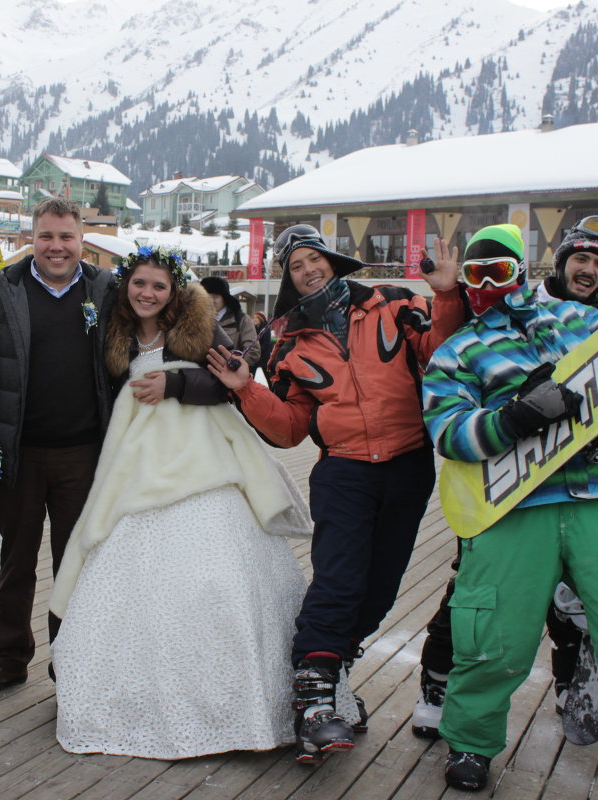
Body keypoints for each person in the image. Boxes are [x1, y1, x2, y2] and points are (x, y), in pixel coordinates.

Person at [420, 224, 598, 798]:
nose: (486, 286)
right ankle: (471, 740)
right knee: (496, 639)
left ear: (521, 273)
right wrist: (515, 418)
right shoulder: (457, 351)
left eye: (498, 272)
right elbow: (448, 431)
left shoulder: (585, 323)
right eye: (475, 275)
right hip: (514, 507)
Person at [207, 223, 465, 763]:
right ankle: (314, 704)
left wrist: (446, 294)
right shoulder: (287, 344)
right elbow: (289, 429)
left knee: (380, 588)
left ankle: (333, 680)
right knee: (339, 580)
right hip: (343, 472)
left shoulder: (393, 303)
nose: (307, 271)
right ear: (289, 279)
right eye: (295, 266)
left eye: (312, 259)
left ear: (330, 260)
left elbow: (444, 357)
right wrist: (245, 391)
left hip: (409, 464)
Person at [48, 247, 313, 759]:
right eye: (139, 284)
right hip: (136, 462)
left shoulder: (195, 326)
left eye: (159, 286)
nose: (147, 293)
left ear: (175, 293)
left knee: (213, 577)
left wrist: (175, 382)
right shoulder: (116, 333)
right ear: (126, 287)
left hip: (198, 457)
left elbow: (228, 381)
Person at [0, 197, 117, 696]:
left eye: (65, 237)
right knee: (15, 559)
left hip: (82, 454)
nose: (56, 247)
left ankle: (72, 660)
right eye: (46, 236)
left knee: (74, 562)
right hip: (15, 453)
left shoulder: (107, 291)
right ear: (30, 239)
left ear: (81, 241)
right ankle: (9, 659)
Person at [200, 276, 260, 369]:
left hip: (230, 377)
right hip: (201, 377)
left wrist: (234, 365)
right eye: (207, 297)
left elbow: (253, 351)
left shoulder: (241, 319)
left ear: (224, 298)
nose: (210, 301)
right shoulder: (197, 320)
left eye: (215, 297)